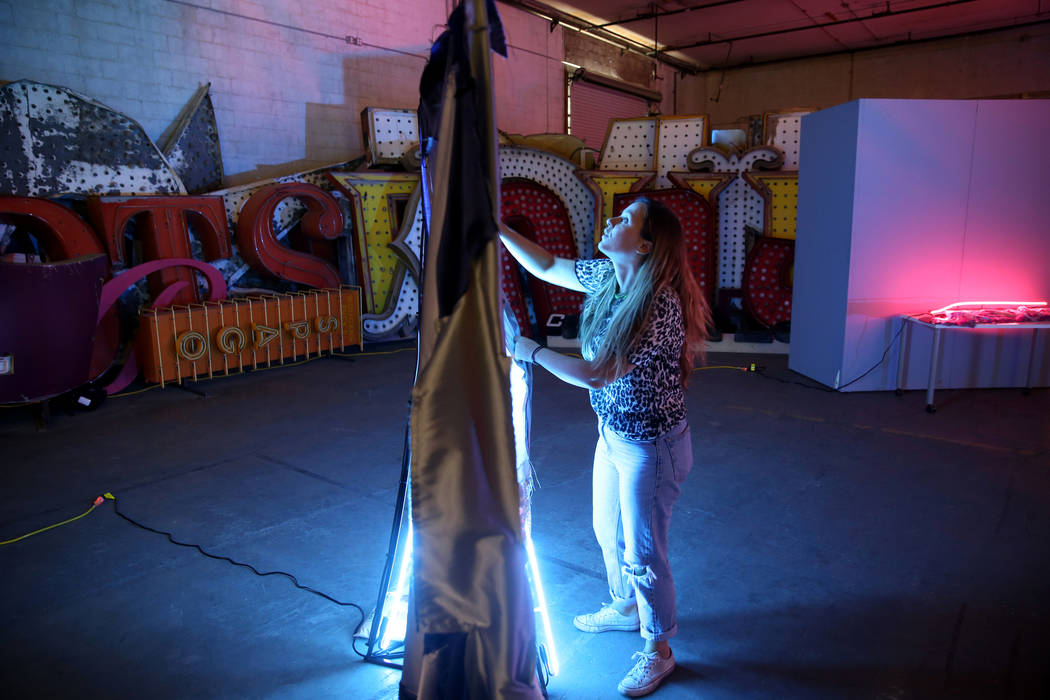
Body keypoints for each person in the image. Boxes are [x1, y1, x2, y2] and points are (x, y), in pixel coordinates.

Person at [498, 198, 710, 697]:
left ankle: (658, 650)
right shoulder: (609, 275)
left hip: (651, 448)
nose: (611, 221)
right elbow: (547, 265)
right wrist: (498, 228)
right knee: (604, 528)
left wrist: (528, 349)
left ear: (645, 244)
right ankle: (625, 605)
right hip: (613, 434)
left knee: (643, 551)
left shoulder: (656, 303)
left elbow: (596, 373)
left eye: (625, 219)